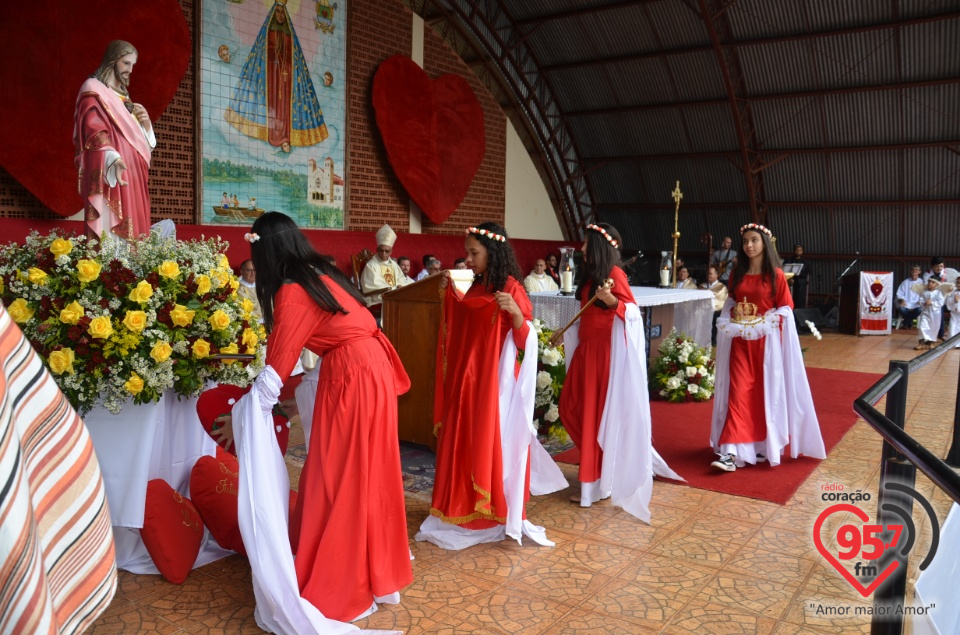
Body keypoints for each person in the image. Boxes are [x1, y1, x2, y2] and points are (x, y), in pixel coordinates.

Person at [232, 212, 412, 629]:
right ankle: (375, 574)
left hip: (353, 375)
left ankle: (341, 582)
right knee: (367, 475)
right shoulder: (323, 272)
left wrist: (253, 405)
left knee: (338, 477)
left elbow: (279, 360)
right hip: (370, 370)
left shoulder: (294, 289)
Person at [417, 222, 566, 550]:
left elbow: (526, 341)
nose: (468, 259)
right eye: (467, 253)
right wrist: (452, 297)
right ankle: (462, 507)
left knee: (487, 444)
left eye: (474, 253)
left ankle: (488, 514)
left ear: (493, 253)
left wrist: (515, 315)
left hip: (495, 384)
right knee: (465, 442)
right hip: (468, 381)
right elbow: (468, 325)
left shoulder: (512, 287)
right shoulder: (478, 285)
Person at [557, 223, 681, 520]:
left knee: (593, 418)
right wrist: (567, 333)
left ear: (599, 246)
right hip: (587, 353)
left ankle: (595, 484)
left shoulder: (615, 275)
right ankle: (600, 474)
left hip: (603, 357)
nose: (582, 249)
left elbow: (633, 313)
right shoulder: (590, 276)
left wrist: (614, 302)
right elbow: (585, 314)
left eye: (587, 244)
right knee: (571, 409)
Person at [710, 223, 825, 472]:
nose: (749, 245)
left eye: (754, 240)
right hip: (740, 342)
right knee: (738, 392)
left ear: (765, 243)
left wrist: (768, 322)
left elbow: (785, 307)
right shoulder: (737, 273)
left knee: (763, 395)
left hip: (765, 346)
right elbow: (731, 300)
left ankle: (759, 446)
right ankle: (731, 451)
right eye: (746, 242)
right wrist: (727, 317)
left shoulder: (775, 275)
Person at [74, 40, 156, 241]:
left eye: (132, 65)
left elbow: (140, 144)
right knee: (112, 226)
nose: (129, 70)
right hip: (110, 168)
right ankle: (112, 269)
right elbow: (93, 128)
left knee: (135, 223)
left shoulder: (125, 98)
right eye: (126, 63)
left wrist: (146, 126)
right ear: (113, 60)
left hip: (134, 172)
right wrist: (112, 158)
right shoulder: (94, 89)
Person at [225, 1, 328, 148]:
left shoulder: (290, 36)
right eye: (278, 11)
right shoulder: (267, 32)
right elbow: (261, 54)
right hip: (270, 75)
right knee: (272, 103)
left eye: (282, 12)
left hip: (287, 78)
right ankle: (271, 134)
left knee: (285, 106)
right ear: (274, 13)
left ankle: (286, 136)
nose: (280, 15)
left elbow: (297, 59)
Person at [360, 224, 409, 307]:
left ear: (391, 252)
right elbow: (372, 284)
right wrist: (393, 288)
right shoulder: (371, 265)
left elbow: (401, 279)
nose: (383, 253)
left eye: (387, 251)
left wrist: (400, 286)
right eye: (381, 250)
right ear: (377, 250)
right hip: (377, 296)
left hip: (392, 294)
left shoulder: (393, 264)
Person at [700, 264, 728, 346]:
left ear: (717, 275)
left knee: (712, 331)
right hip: (703, 312)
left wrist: (705, 292)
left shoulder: (721, 287)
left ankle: (712, 343)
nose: (708, 275)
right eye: (707, 273)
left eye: (710, 273)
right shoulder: (702, 285)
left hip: (715, 312)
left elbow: (719, 297)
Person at [915, 276, 945, 351]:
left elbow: (941, 302)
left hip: (935, 314)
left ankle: (931, 342)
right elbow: (920, 300)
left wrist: (932, 303)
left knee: (934, 328)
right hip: (925, 312)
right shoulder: (924, 292)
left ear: (937, 284)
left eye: (932, 282)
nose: (930, 283)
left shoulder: (938, 293)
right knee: (922, 326)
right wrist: (923, 303)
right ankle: (921, 343)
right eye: (929, 281)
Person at [923, 257, 949, 340]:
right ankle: (927, 336)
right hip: (929, 297)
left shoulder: (946, 273)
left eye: (941, 266)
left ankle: (941, 334)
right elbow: (927, 286)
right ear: (932, 266)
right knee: (927, 319)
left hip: (941, 297)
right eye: (937, 266)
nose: (940, 268)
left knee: (940, 315)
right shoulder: (927, 274)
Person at [895, 265, 923, 329]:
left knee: (920, 310)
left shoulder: (922, 282)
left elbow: (923, 294)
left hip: (917, 304)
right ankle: (909, 321)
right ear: (910, 271)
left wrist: (920, 300)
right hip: (906, 303)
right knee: (902, 309)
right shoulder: (905, 282)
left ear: (919, 272)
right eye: (913, 270)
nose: (914, 271)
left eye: (916, 270)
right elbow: (899, 293)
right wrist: (902, 300)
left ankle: (906, 322)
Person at [783, 243, 811, 309]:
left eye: (800, 250)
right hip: (790, 282)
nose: (798, 252)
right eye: (796, 250)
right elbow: (784, 271)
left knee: (800, 300)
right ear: (793, 251)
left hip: (800, 284)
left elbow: (807, 272)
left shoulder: (805, 262)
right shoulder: (788, 260)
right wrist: (789, 279)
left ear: (802, 251)